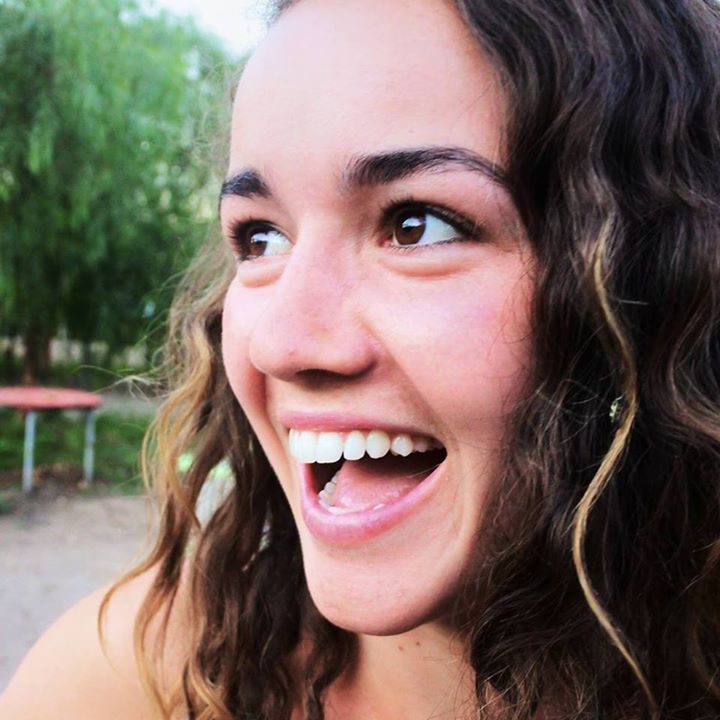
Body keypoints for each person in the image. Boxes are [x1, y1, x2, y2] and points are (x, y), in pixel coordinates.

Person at [2, 0, 720, 717]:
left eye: (418, 225)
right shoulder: (119, 684)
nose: (281, 344)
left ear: (662, 287)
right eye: (260, 238)